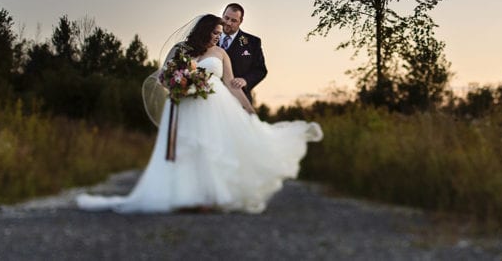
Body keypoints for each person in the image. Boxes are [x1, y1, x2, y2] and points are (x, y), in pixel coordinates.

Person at [76, 14, 322, 214]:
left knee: (209, 148)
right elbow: (163, 77)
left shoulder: (221, 54)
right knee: (185, 149)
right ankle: (181, 196)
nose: (219, 36)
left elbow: (229, 83)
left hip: (212, 106)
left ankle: (205, 197)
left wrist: (248, 108)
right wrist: (180, 83)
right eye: (215, 32)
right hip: (183, 105)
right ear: (205, 31)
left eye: (221, 32)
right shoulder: (181, 49)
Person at [219, 3, 266, 105]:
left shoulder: (253, 42)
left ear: (241, 21)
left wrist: (245, 80)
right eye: (226, 18)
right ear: (222, 15)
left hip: (239, 99)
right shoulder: (209, 37)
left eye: (234, 21)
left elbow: (260, 70)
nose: (228, 23)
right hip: (211, 97)